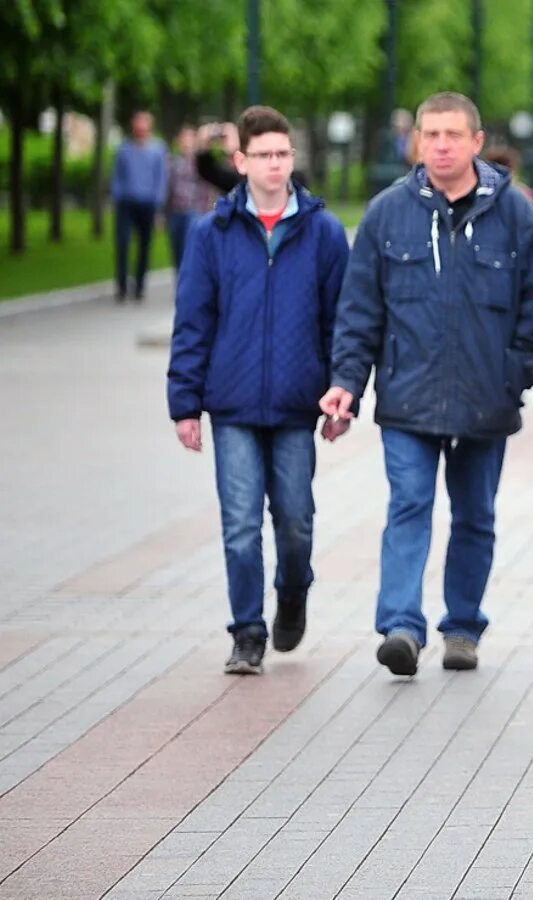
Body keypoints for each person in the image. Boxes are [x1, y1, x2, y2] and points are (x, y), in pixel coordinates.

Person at [321, 92, 533, 676]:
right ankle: (400, 626)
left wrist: (513, 377)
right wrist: (348, 380)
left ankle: (463, 628)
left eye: (453, 135)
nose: (441, 145)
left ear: (477, 141)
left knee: (475, 516)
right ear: (417, 142)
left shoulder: (516, 213)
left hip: (486, 399)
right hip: (407, 396)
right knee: (410, 506)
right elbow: (359, 311)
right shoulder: (387, 213)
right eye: (431, 136)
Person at [167, 106, 352, 674]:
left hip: (298, 404)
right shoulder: (212, 234)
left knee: (295, 521)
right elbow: (193, 320)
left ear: (292, 158)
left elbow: (340, 321)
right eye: (264, 155)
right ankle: (247, 630)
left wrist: (342, 391)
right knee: (241, 525)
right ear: (241, 161)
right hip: (234, 404)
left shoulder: (322, 232)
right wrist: (185, 404)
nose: (275, 165)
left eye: (283, 154)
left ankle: (292, 593)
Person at [112, 110, 168, 302]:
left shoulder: (158, 149)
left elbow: (161, 178)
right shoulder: (124, 149)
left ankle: (139, 285)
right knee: (123, 243)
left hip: (148, 203)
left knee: (145, 246)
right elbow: (117, 176)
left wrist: (158, 207)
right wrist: (118, 196)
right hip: (127, 203)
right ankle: (121, 285)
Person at [165, 126, 217, 274]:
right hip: (175, 211)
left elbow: (208, 187)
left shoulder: (201, 163)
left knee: (189, 249)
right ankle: (180, 284)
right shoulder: (173, 162)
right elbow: (168, 187)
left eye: (189, 138)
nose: (186, 142)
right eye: (184, 138)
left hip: (195, 210)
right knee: (176, 252)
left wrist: (208, 210)